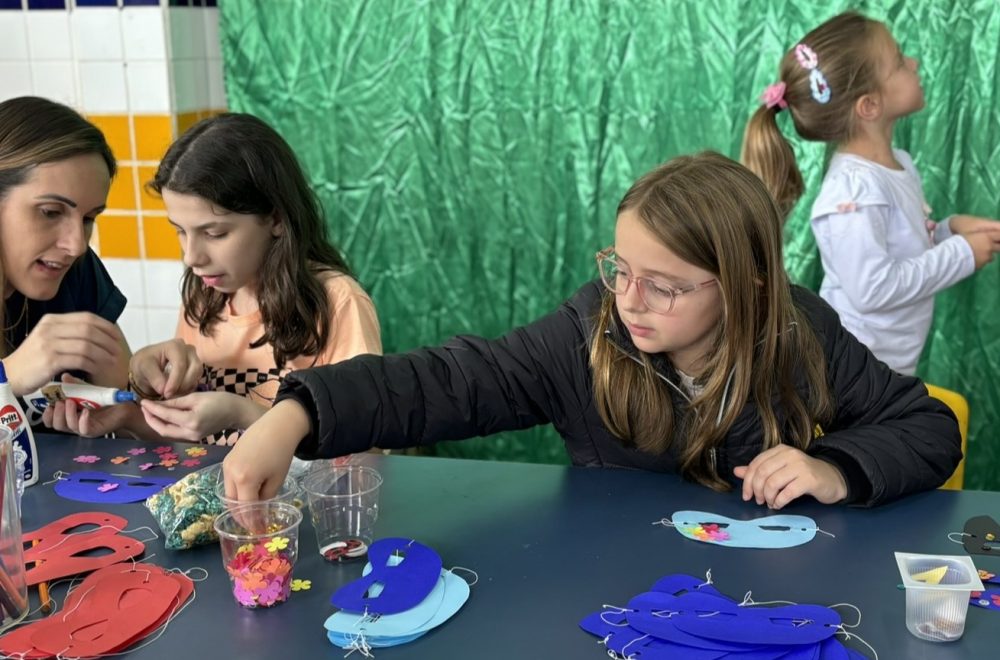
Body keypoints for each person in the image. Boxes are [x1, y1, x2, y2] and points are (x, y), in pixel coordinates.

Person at [222, 152, 961, 509]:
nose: (632, 300)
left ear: (748, 287)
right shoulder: (590, 333)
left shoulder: (802, 335)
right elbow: (448, 381)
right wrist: (299, 411)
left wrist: (834, 467)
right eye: (621, 268)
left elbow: (927, 426)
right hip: (619, 602)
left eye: (665, 285)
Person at [43, 113, 381, 443]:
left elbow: (365, 446)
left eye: (215, 233)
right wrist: (129, 416)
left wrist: (243, 413)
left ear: (276, 218)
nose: (192, 257)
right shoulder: (203, 298)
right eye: (180, 231)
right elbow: (193, 442)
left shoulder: (337, 302)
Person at [741, 10, 1000, 375]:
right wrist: (961, 255)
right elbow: (873, 289)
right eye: (898, 61)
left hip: (886, 368)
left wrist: (948, 231)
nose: (914, 61)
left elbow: (901, 248)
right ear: (869, 105)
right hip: (855, 377)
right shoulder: (853, 192)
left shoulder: (897, 165)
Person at [0, 96, 129, 397]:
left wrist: (139, 385)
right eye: (50, 212)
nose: (76, 245)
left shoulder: (76, 271)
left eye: (88, 218)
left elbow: (125, 388)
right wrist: (9, 377)